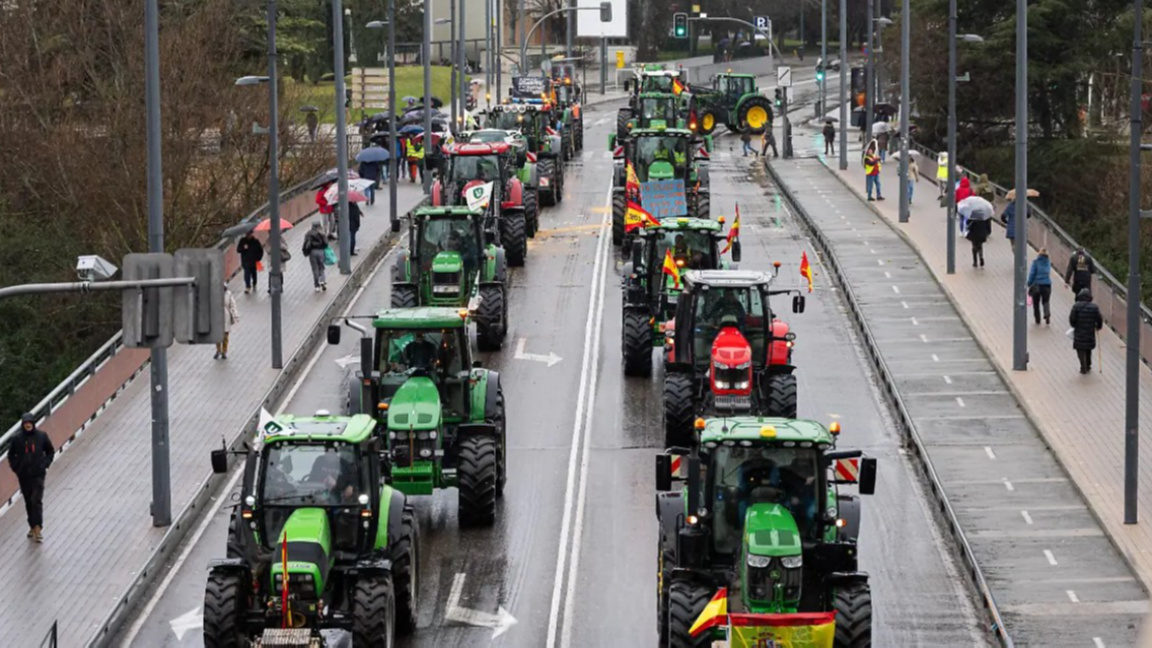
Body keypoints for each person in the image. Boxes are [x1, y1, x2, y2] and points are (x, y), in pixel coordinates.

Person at [8, 414, 55, 543]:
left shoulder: (42, 436)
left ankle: (38, 528)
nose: (28, 425)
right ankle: (32, 526)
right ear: (23, 424)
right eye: (25, 423)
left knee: (36, 500)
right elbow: (11, 455)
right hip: (24, 475)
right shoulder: (17, 439)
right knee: (29, 501)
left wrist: (45, 464)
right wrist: (17, 468)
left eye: (30, 422)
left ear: (33, 423)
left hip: (38, 474)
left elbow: (50, 451)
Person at [1069, 288, 1103, 374]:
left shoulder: (1076, 306)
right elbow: (1099, 319)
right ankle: (1088, 364)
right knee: (1088, 348)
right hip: (1090, 331)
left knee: (1080, 348)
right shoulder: (1094, 307)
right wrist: (1098, 326)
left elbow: (1072, 319)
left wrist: (1074, 325)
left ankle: (1082, 365)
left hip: (1079, 331)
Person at [1027, 248, 1053, 325]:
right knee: (1046, 301)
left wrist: (1029, 283)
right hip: (1047, 285)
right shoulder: (1048, 262)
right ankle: (1047, 314)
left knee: (1036, 303)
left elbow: (1032, 274)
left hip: (1037, 285)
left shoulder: (1036, 262)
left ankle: (1037, 319)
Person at [302, 221, 329, 292]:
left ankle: (317, 286)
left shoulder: (308, 233)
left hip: (312, 252)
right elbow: (326, 243)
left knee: (315, 269)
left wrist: (305, 252)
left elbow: (305, 244)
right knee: (321, 267)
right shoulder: (322, 233)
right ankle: (322, 280)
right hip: (321, 251)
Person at [215, 284, 240, 359]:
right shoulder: (214, 293)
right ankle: (218, 349)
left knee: (225, 336)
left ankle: (224, 351)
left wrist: (236, 315)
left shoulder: (228, 294)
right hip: (217, 316)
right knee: (217, 335)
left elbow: (233, 305)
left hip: (226, 317)